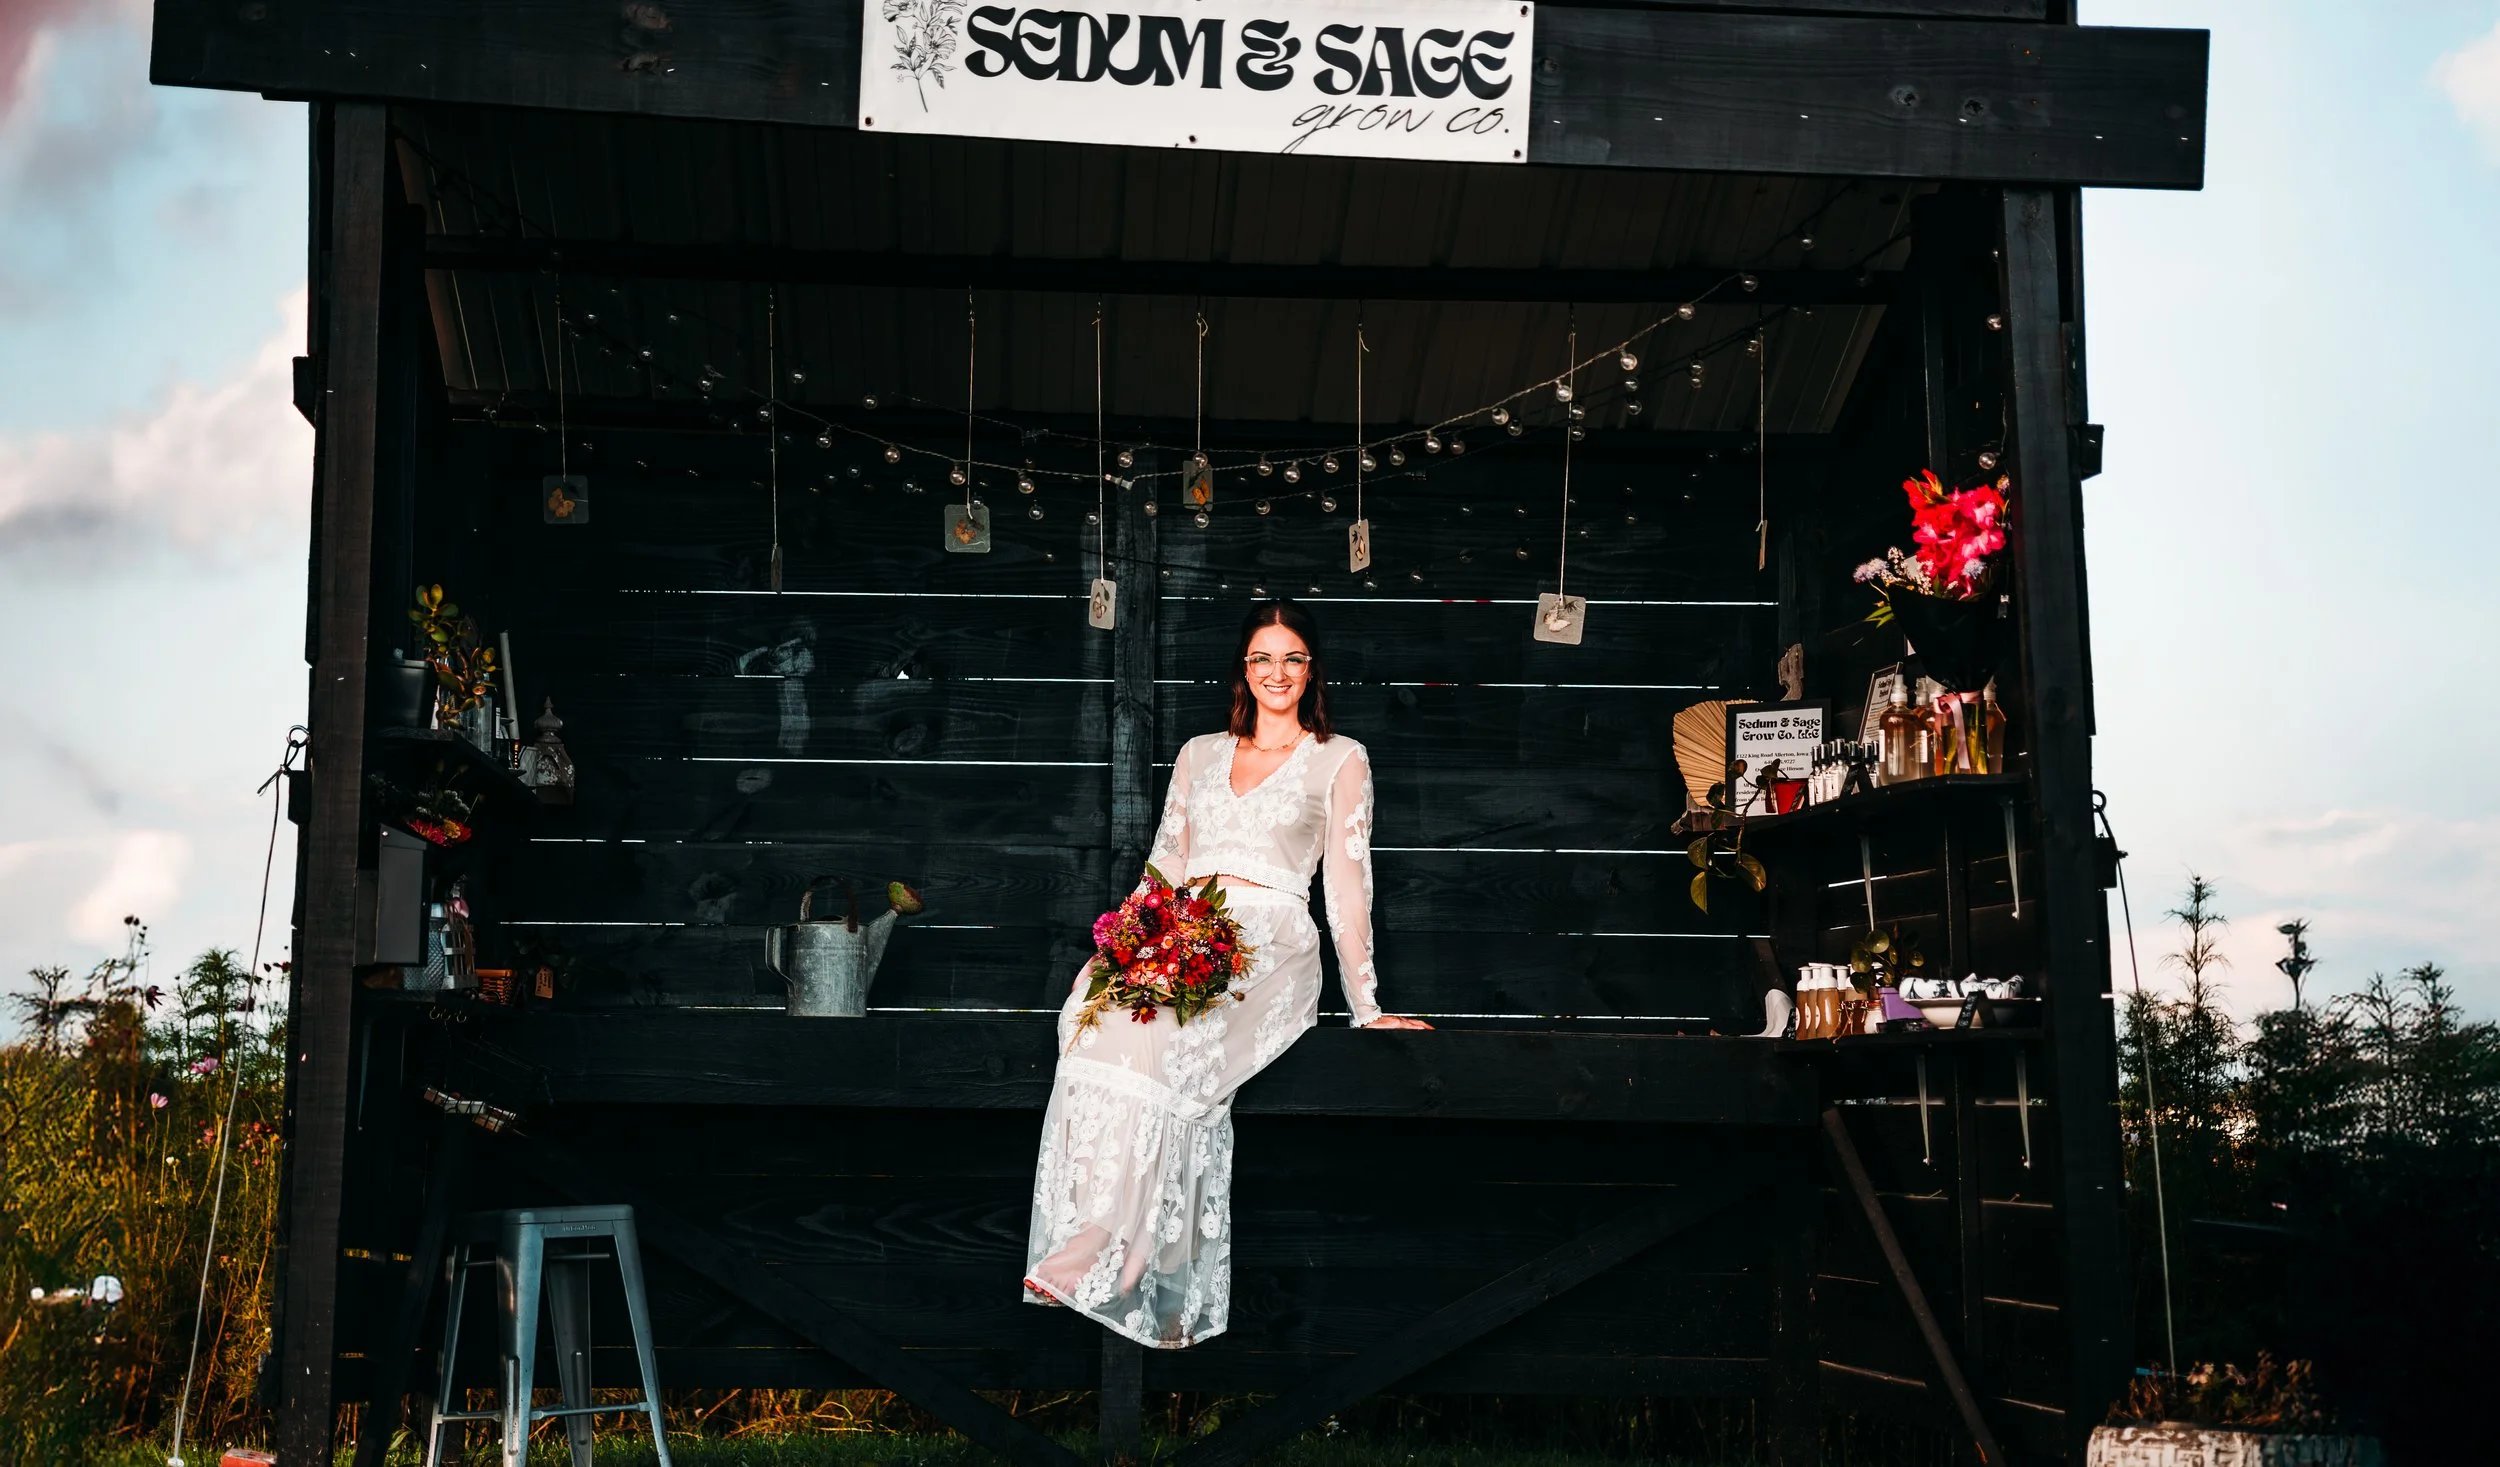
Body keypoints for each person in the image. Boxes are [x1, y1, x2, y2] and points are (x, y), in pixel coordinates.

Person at [1020, 598, 1430, 1348]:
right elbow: (1166, 863)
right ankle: (1126, 1238)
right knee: (1095, 1015)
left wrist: (1366, 1005)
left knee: (1167, 1035)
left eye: (1293, 657)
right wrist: (1123, 943)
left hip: (1270, 938)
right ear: (1244, 668)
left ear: (1312, 669)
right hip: (1184, 922)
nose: (1278, 672)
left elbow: (1346, 883)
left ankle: (1108, 1243)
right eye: (1262, 658)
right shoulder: (1201, 751)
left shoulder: (1340, 756)